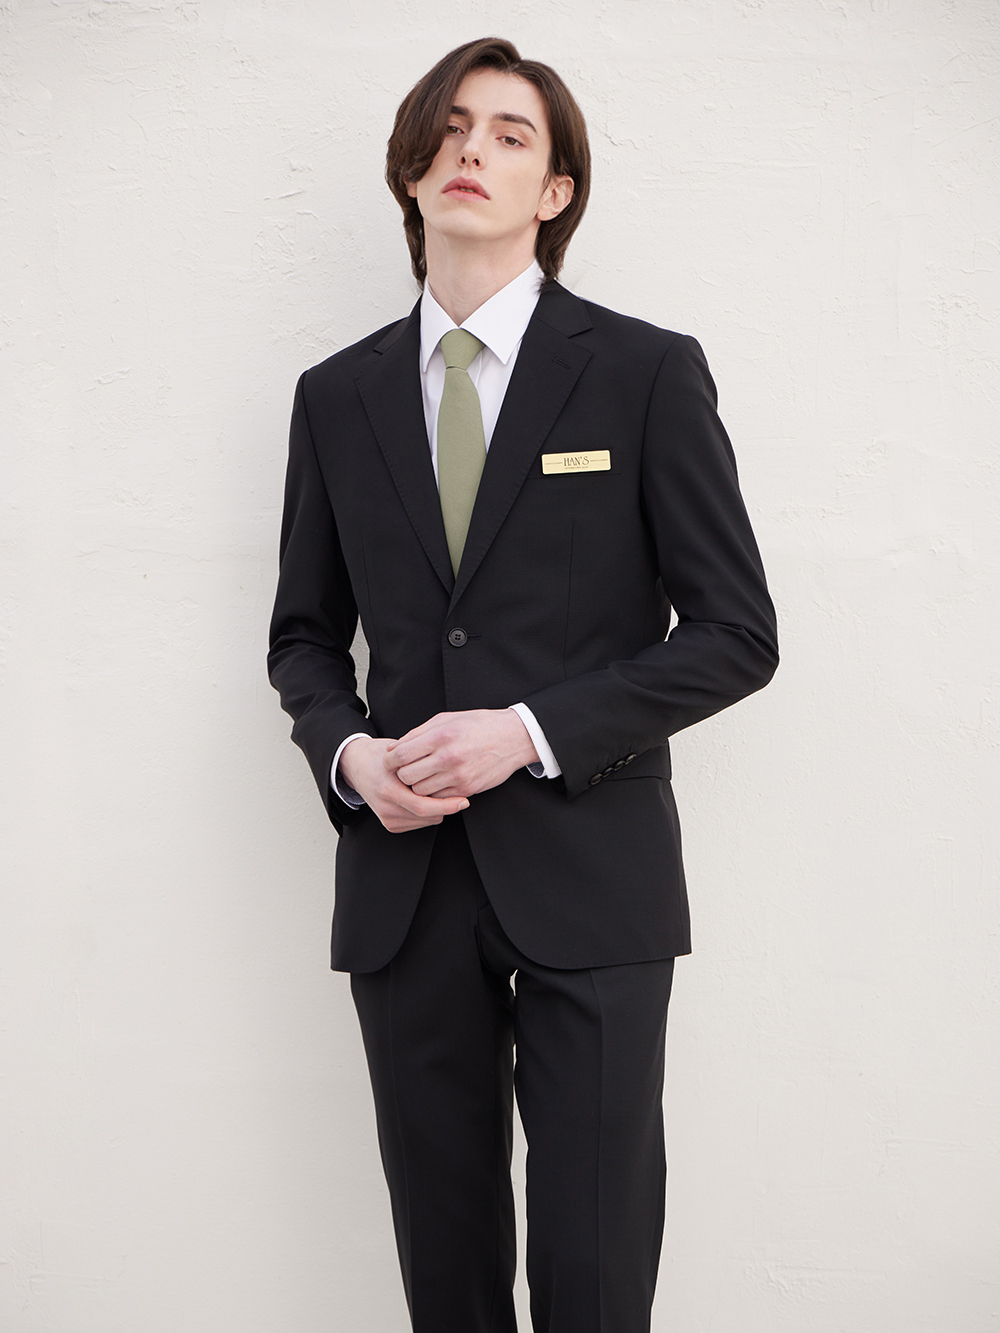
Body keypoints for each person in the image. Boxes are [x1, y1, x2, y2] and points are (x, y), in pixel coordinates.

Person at [268, 36, 777, 1333]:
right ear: (410, 169)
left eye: (508, 135)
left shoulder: (644, 371)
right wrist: (350, 758)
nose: (470, 151)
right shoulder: (336, 396)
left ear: (556, 191)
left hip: (592, 873)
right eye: (448, 129)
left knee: (596, 1268)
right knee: (444, 1274)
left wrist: (532, 731)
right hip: (406, 883)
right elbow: (304, 640)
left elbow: (735, 631)